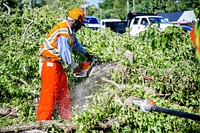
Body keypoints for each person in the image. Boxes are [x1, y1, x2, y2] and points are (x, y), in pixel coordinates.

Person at [37, 8, 93, 121]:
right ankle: (42, 121)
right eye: (80, 25)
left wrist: (87, 54)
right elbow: (65, 54)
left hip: (56, 63)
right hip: (49, 62)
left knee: (63, 90)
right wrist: (76, 68)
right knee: (50, 92)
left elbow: (75, 45)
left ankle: (66, 117)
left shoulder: (69, 31)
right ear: (75, 21)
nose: (79, 28)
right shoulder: (63, 31)